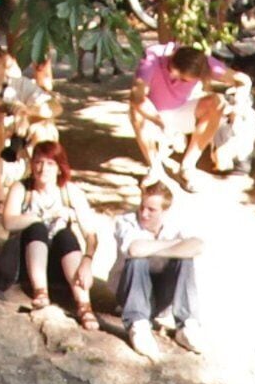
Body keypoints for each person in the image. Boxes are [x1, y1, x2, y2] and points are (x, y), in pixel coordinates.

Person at [0, 141, 95, 323]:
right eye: (39, 162)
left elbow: (91, 235)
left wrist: (87, 261)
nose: (43, 169)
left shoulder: (70, 192)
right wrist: (40, 216)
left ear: (59, 167)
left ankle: (84, 305)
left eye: (50, 164)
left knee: (65, 235)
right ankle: (41, 292)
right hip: (25, 262)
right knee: (36, 228)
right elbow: (8, 222)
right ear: (32, 164)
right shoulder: (21, 188)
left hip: (58, 264)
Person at [103, 177, 205, 358]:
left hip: (160, 295)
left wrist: (162, 249)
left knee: (185, 259)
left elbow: (198, 246)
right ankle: (138, 324)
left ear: (164, 211)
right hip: (130, 293)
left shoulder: (175, 222)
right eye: (142, 207)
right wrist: (173, 246)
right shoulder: (126, 221)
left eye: (152, 210)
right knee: (137, 260)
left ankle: (186, 325)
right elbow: (134, 249)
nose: (144, 214)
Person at [131, 41, 240, 184]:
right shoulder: (152, 58)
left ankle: (188, 166)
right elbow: (137, 97)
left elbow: (242, 79)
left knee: (216, 102)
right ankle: (155, 167)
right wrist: (161, 122)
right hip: (153, 115)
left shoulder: (200, 62)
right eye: (182, 79)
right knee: (135, 110)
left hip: (181, 111)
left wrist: (240, 99)